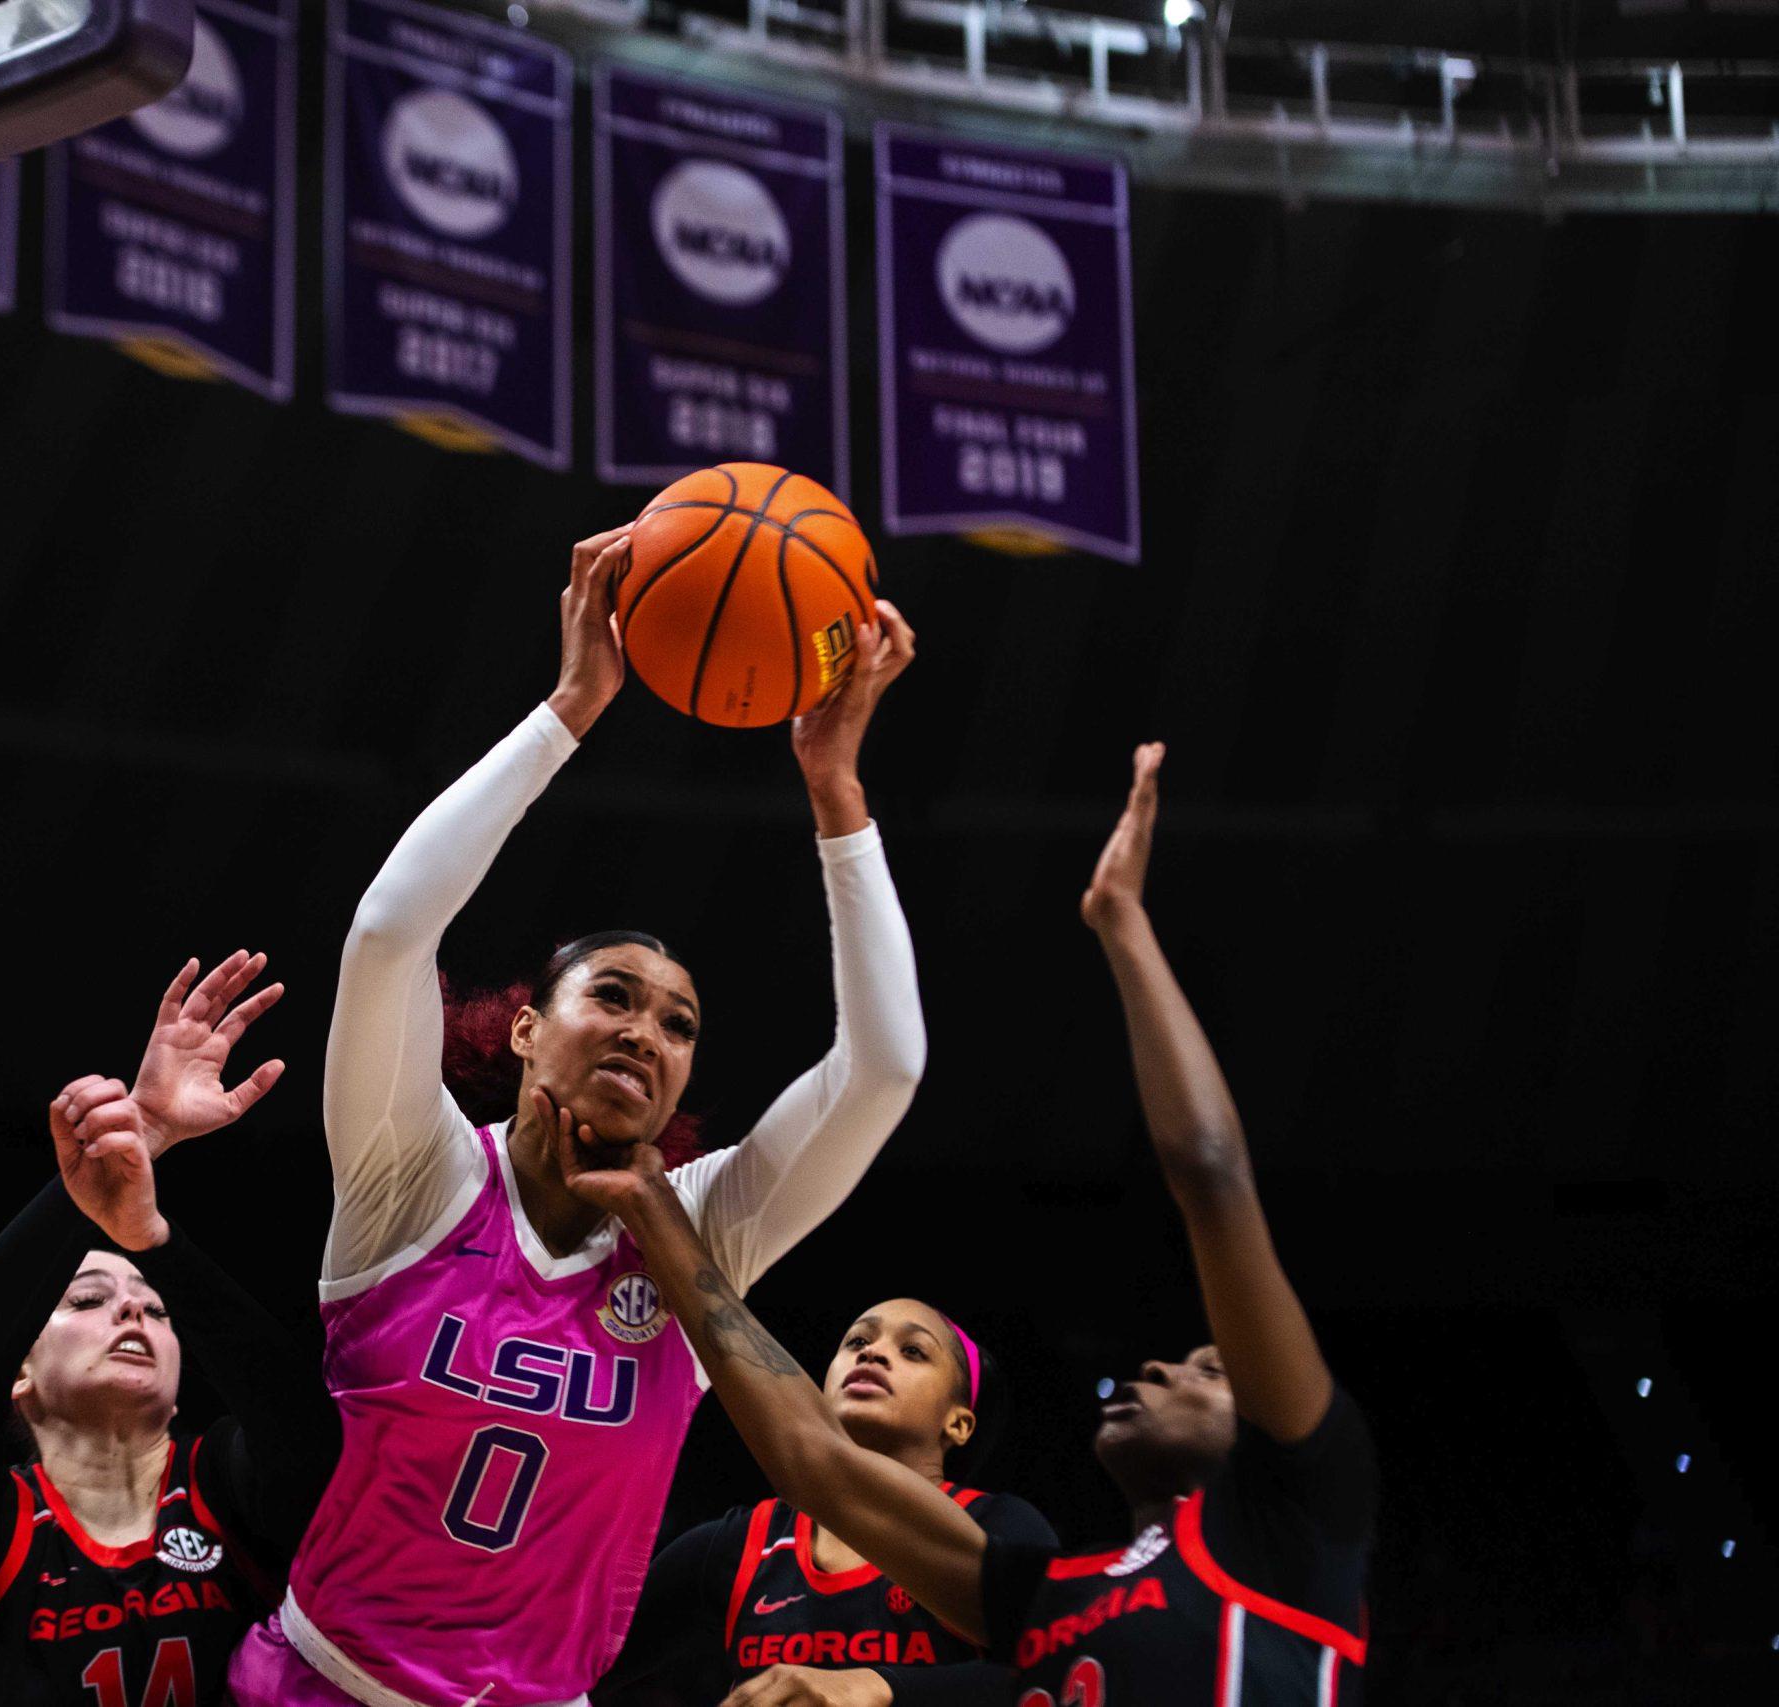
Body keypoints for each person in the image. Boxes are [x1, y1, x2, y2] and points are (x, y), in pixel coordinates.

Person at [229, 527, 930, 1707]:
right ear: (519, 1029)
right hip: (325, 1685)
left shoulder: (702, 1230)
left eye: (677, 1024)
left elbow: (885, 1070)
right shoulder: (417, 1174)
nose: (644, 1035)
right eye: (611, 996)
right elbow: (392, 932)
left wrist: (837, 795)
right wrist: (570, 706)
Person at [564, 745, 1377, 1705]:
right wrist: (663, 1223)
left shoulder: (1302, 1531)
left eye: (1209, 1368)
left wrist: (1123, 928)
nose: (1161, 1366)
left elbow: (1208, 1170)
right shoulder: (1050, 1604)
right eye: (863, 1336)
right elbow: (813, 1459)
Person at [0, 951, 342, 1706]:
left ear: (177, 1386)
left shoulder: (223, 1485)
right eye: (86, 1300)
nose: (134, 1308)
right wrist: (97, 1173)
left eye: (157, 1306)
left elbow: (302, 1422)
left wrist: (155, 1241)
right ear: (20, 1374)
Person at [602, 1300, 1054, 1707]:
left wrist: (881, 1687)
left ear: (959, 1424)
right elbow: (575, 1664)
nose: (872, 1353)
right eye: (857, 1340)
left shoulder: (995, 1524)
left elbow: (1067, 1669)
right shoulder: (741, 1542)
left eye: (913, 1351)